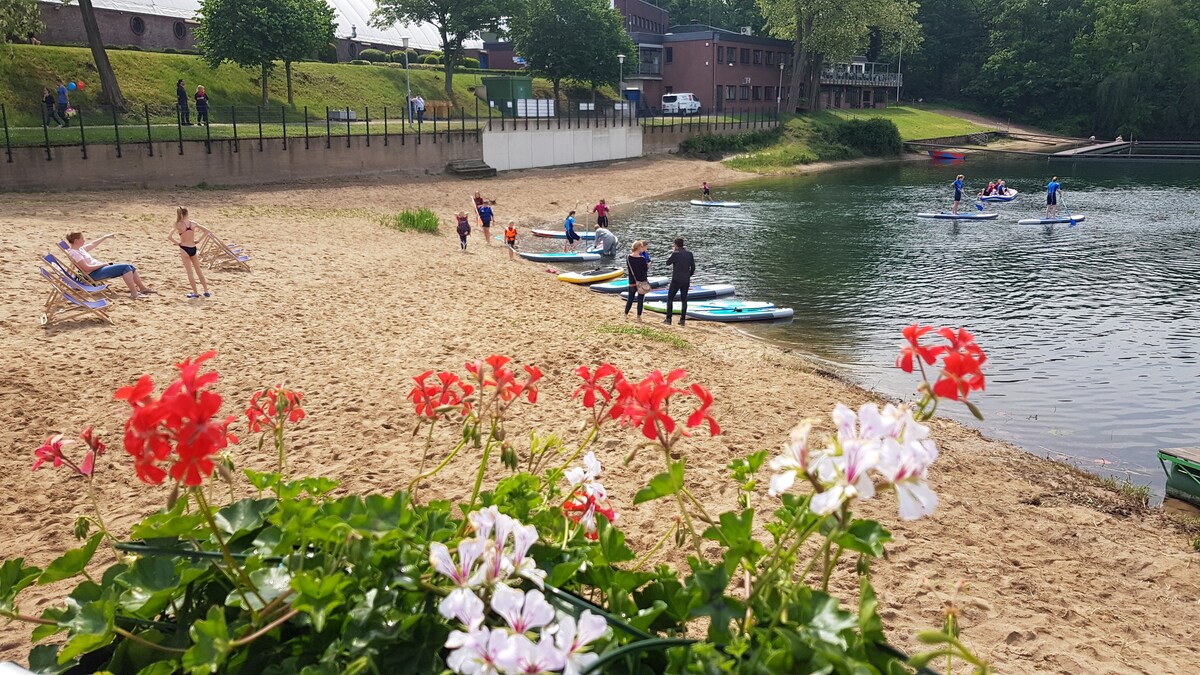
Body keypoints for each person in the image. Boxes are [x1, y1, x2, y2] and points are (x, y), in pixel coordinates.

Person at [65, 232, 154, 299]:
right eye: (82, 239)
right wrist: (102, 264)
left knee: (131, 267)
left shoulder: (79, 249)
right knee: (126, 268)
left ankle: (142, 288)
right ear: (76, 241)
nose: (84, 240)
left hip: (98, 270)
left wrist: (105, 237)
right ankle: (134, 293)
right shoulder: (75, 253)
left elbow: (93, 244)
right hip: (93, 274)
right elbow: (86, 268)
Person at [167, 206, 211, 299]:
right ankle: (206, 291)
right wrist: (198, 240)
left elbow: (169, 237)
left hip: (184, 248)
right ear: (187, 213)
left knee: (190, 272)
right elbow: (207, 230)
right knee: (199, 271)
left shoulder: (178, 224)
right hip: (193, 247)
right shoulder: (193, 223)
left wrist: (178, 243)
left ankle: (195, 293)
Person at [663, 237, 695, 326]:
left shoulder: (675, 254)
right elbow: (693, 268)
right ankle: (682, 320)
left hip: (676, 279)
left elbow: (667, 263)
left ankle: (669, 319)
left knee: (670, 298)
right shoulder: (689, 254)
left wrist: (673, 252)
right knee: (684, 300)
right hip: (685, 280)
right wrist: (688, 275)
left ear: (676, 245)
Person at [624, 240, 650, 321]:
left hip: (632, 281)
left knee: (630, 299)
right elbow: (644, 270)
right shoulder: (642, 259)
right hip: (641, 282)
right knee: (640, 300)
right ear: (639, 248)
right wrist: (648, 265)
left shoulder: (628, 257)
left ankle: (625, 314)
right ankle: (638, 316)